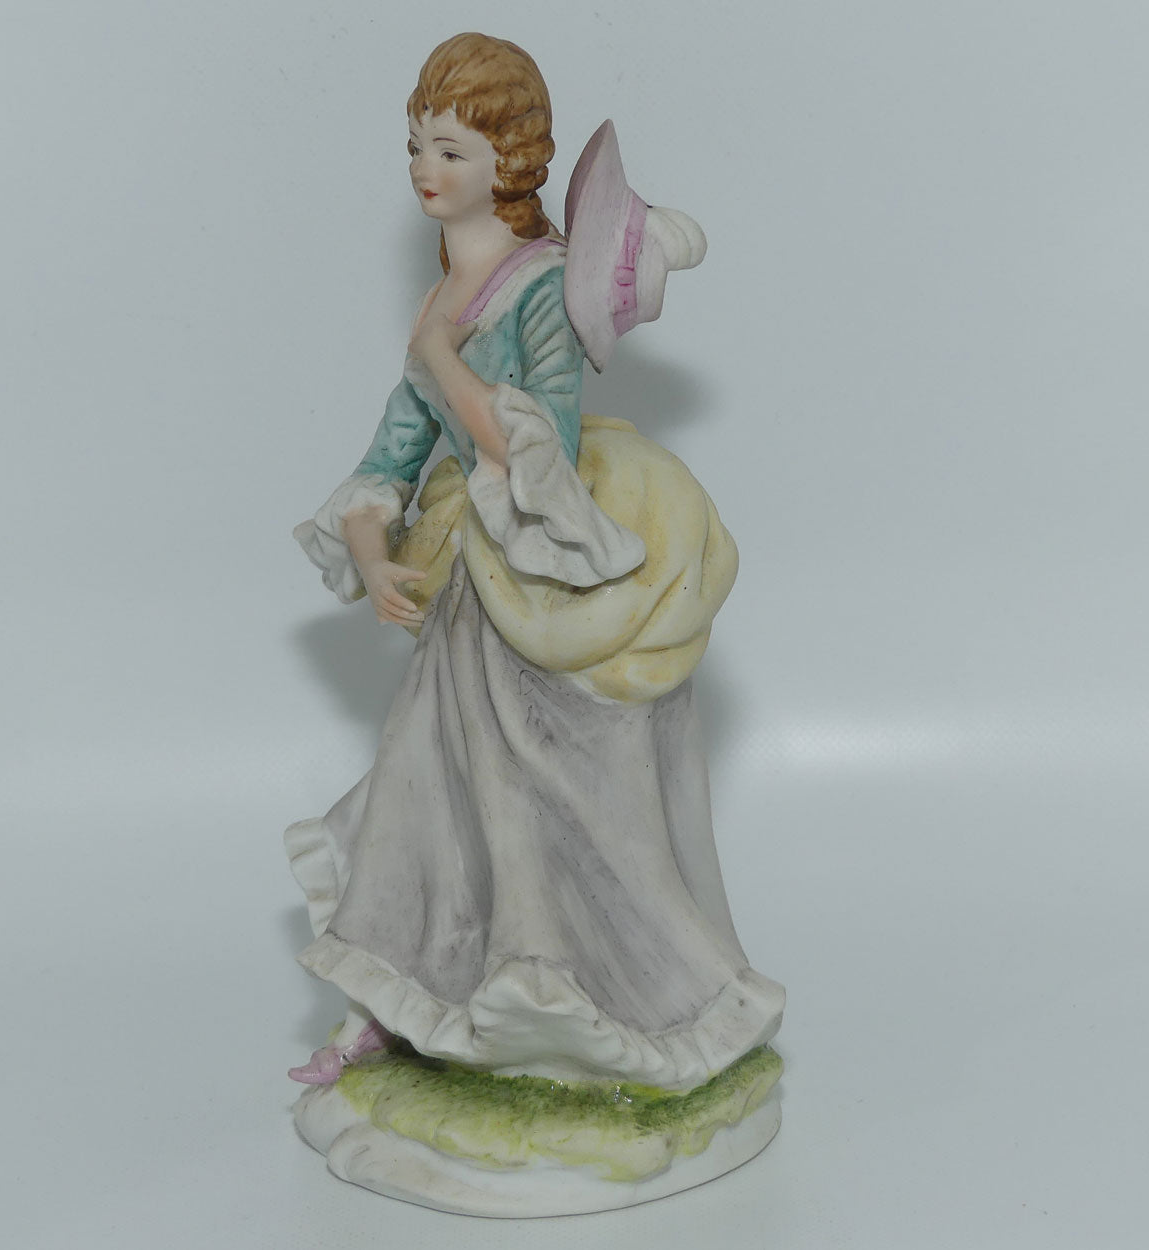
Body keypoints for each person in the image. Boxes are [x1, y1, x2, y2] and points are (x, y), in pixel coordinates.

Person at [286, 32, 784, 1095]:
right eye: (416, 145)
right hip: (465, 597)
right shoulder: (438, 299)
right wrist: (373, 555)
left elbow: (533, 447)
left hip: (539, 581)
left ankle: (586, 1006)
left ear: (506, 161)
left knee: (546, 806)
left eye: (451, 150)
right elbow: (391, 454)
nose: (425, 169)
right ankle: (395, 1004)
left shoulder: (537, 289)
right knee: (427, 802)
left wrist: (441, 357)